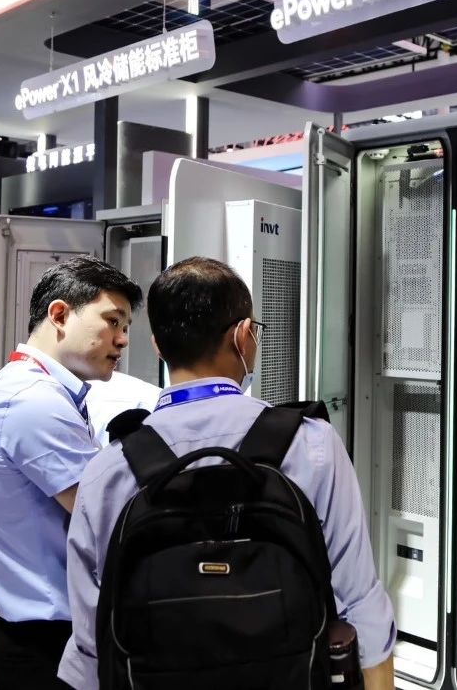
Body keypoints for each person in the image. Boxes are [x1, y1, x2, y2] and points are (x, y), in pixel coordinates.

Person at [58, 257, 396, 690]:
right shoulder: (311, 444)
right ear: (243, 336)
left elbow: (90, 641)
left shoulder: (110, 469)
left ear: (158, 345)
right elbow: (360, 598)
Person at [0, 256, 141, 689]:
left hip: (39, 634)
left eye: (126, 327)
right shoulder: (33, 400)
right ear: (59, 315)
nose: (121, 339)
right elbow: (112, 517)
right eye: (112, 321)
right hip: (47, 644)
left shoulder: (33, 389)